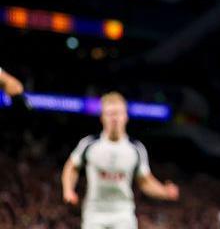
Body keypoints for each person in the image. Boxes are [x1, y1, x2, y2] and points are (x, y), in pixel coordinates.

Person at [61, 92, 179, 229]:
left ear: (125, 116)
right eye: (110, 114)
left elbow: (145, 181)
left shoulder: (135, 148)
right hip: (94, 213)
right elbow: (72, 167)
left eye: (118, 113)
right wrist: (68, 190)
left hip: (123, 214)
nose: (114, 118)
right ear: (102, 117)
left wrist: (164, 191)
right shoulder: (89, 144)